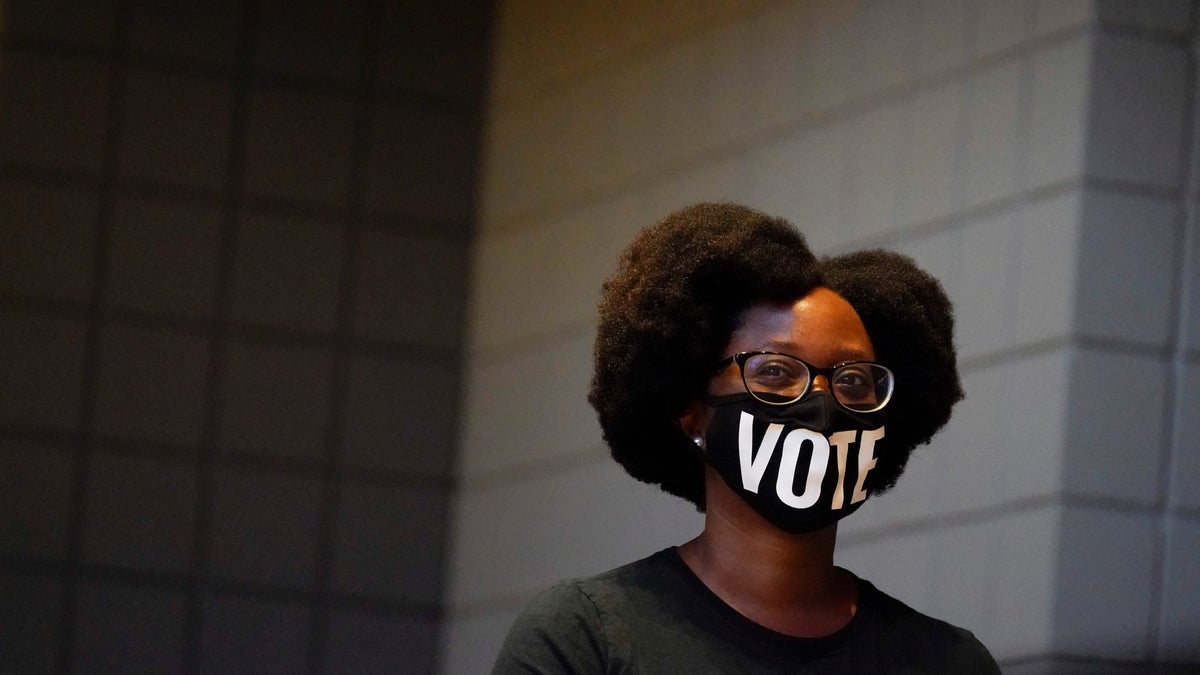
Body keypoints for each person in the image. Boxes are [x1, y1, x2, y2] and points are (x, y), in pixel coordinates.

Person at [491, 203, 1001, 673]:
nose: (821, 405)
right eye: (776, 372)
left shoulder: (948, 663)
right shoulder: (587, 637)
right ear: (691, 410)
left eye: (852, 381)